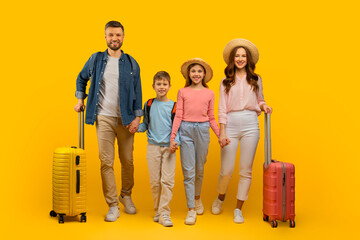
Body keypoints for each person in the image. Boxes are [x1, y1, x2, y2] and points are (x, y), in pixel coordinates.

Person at [74, 21, 143, 222]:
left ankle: (126, 195)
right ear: (105, 37)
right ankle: (113, 205)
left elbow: (138, 92)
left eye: (118, 35)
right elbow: (81, 78)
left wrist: (137, 118)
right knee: (106, 162)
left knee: (128, 161)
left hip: (126, 118)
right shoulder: (95, 59)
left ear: (123, 37)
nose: (115, 38)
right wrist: (80, 100)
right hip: (103, 116)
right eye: (111, 35)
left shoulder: (131, 63)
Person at [211, 38, 272, 223]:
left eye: (243, 56)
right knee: (227, 170)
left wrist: (264, 106)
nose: (240, 58)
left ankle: (238, 209)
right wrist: (222, 132)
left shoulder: (256, 79)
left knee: (246, 170)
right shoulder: (225, 81)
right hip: (231, 123)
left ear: (248, 59)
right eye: (237, 56)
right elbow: (221, 108)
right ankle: (220, 197)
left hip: (251, 123)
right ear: (232, 59)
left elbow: (260, 99)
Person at [170, 58, 223, 225]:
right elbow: (178, 115)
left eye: (199, 71)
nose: (196, 74)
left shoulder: (210, 93)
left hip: (202, 130)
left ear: (204, 74)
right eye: (193, 71)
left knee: (199, 169)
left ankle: (197, 198)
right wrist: (173, 137)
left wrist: (220, 135)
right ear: (188, 74)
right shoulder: (182, 91)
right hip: (185, 130)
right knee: (188, 172)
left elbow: (212, 117)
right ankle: (191, 209)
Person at [137, 71, 180, 227]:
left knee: (167, 181)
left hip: (169, 148)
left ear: (169, 86)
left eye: (164, 84)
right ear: (154, 86)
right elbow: (145, 124)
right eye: (159, 84)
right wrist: (135, 127)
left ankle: (164, 213)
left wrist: (176, 142)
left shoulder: (174, 106)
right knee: (155, 182)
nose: (162, 87)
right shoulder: (149, 104)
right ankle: (157, 210)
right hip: (153, 147)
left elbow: (178, 127)